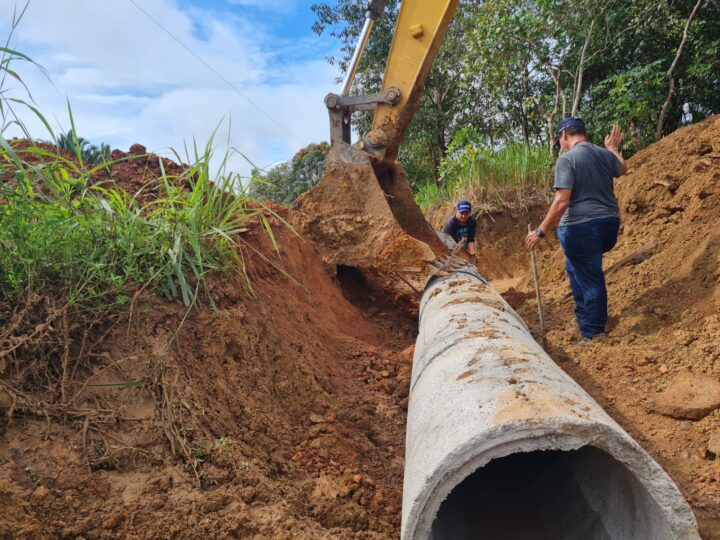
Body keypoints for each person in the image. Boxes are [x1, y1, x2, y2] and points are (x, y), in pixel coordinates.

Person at [525, 117, 627, 343]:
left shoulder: (567, 159)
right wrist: (613, 149)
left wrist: (540, 232)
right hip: (609, 225)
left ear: (564, 136)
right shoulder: (604, 153)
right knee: (574, 269)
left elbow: (562, 201)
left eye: (559, 139)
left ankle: (593, 333)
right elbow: (622, 168)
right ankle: (583, 319)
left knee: (590, 278)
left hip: (581, 228)